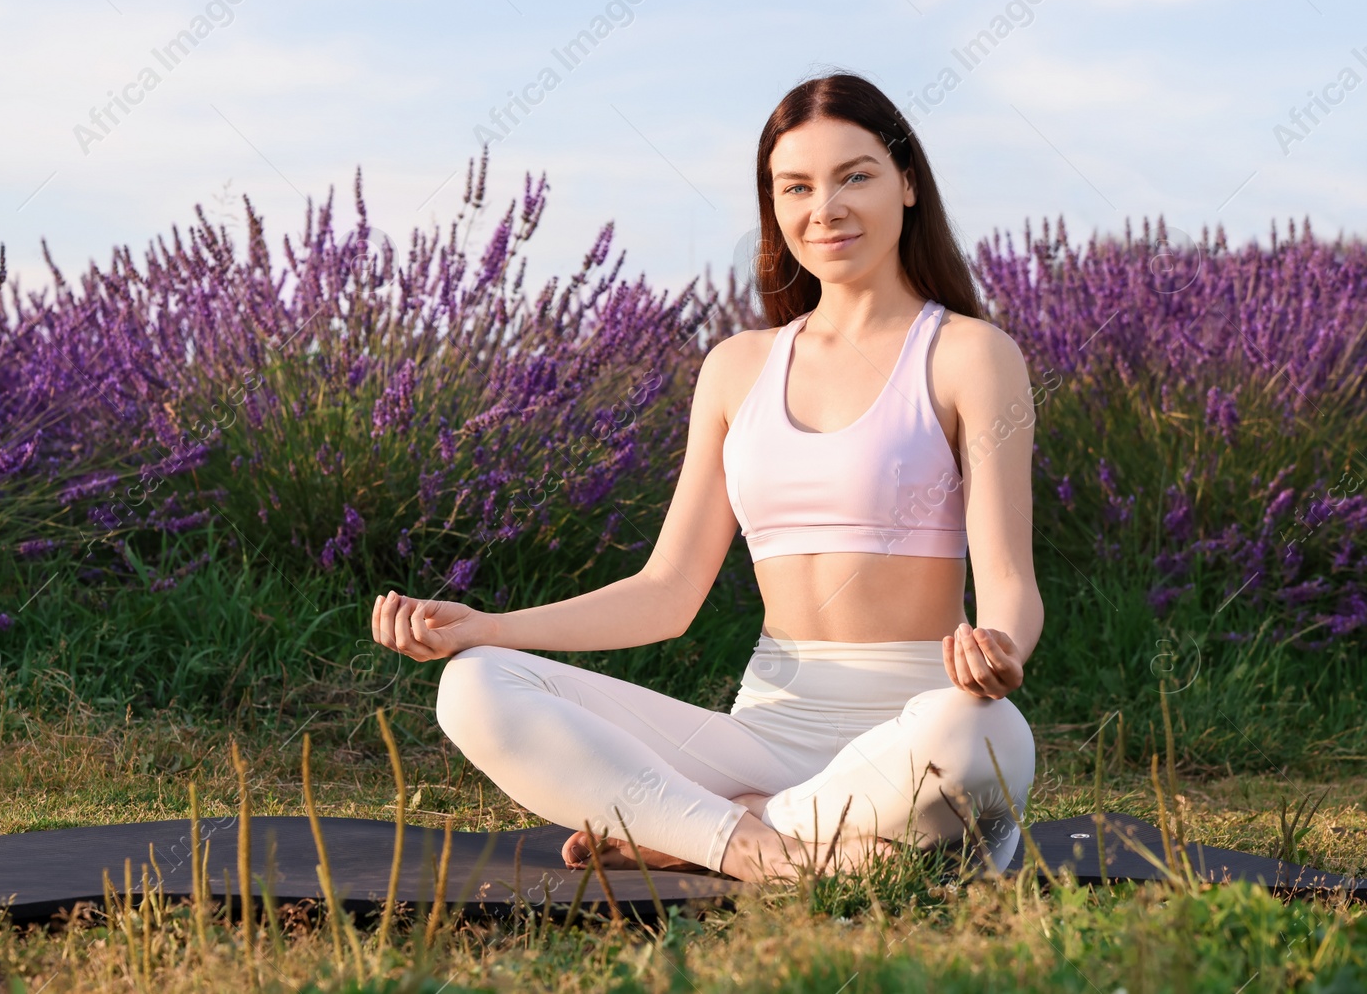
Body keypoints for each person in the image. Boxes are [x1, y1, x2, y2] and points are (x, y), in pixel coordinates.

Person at [370, 71, 1039, 885]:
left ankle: (704, 827)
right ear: (774, 206)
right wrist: (489, 626)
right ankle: (764, 848)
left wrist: (1000, 648)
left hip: (909, 725)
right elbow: (668, 590)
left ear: (906, 182)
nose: (824, 208)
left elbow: (1007, 578)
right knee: (474, 686)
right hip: (759, 735)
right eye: (795, 186)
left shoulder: (969, 354)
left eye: (854, 175)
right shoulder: (736, 369)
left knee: (987, 739)